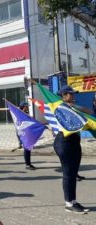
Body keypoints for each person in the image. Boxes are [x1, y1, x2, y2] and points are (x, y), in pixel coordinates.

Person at [54, 85, 90, 213]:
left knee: (73, 173)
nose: (73, 96)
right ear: (64, 96)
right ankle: (69, 203)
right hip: (64, 141)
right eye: (70, 94)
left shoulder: (72, 108)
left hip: (74, 140)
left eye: (73, 94)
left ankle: (73, 201)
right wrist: (71, 107)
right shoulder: (60, 108)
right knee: (68, 173)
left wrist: (75, 106)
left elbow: (89, 112)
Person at [17, 102, 36, 170]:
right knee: (27, 149)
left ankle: (29, 163)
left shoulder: (26, 114)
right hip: (23, 133)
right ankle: (27, 164)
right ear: (23, 107)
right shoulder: (20, 114)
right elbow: (21, 124)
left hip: (27, 133)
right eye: (26, 106)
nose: (27, 107)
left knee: (28, 149)